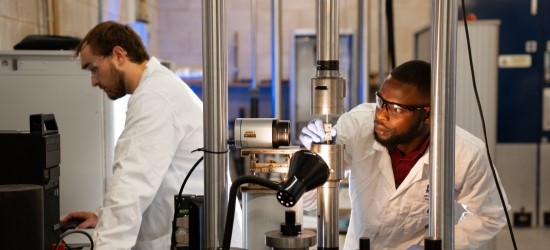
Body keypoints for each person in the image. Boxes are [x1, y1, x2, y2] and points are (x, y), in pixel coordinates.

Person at [61, 21, 241, 249]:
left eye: (94, 68)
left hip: (195, 237)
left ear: (118, 55)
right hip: (197, 232)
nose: (93, 81)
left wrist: (106, 244)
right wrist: (102, 218)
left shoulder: (154, 98)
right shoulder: (157, 87)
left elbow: (129, 187)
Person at [299, 60, 510, 249]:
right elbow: (312, 202)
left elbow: (491, 215)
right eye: (381, 102)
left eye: (395, 109)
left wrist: (435, 246)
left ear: (427, 114)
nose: (381, 115)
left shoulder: (465, 154)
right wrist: (314, 158)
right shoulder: (358, 125)